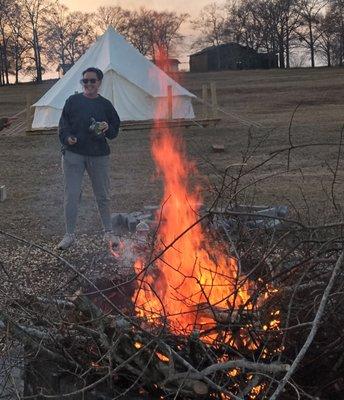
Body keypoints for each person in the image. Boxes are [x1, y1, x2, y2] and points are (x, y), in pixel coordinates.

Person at [57, 67, 121, 250]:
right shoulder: (73, 101)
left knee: (103, 195)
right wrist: (68, 138)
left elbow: (114, 131)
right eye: (85, 81)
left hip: (99, 155)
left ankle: (108, 232)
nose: (89, 84)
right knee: (72, 195)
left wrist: (107, 128)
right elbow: (63, 126)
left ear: (100, 82)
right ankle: (69, 235)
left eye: (93, 81)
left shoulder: (106, 105)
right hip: (73, 155)